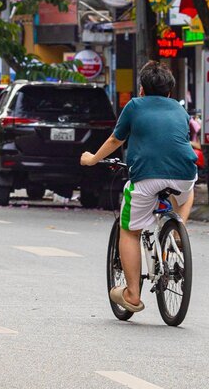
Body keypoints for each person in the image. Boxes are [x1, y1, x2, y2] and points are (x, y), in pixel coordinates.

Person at [81, 60, 199, 314]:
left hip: (147, 178)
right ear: (170, 92)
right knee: (186, 196)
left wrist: (92, 159)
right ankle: (179, 228)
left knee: (130, 230)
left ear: (142, 89)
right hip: (184, 175)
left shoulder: (134, 106)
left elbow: (115, 139)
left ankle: (133, 294)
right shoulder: (180, 110)